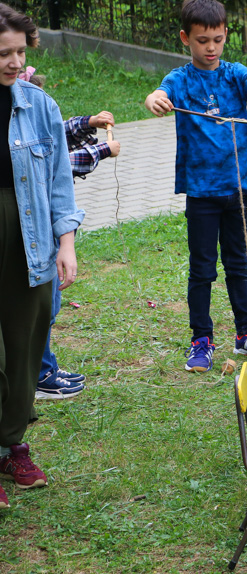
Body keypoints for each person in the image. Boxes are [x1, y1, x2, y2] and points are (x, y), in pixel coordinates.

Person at [144, 0, 247, 373]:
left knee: (238, 265)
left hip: (239, 190)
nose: (211, 48)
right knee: (202, 268)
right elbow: (157, 95)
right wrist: (155, 99)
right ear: (185, 39)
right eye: (202, 40)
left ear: (226, 37)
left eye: (218, 39)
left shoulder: (235, 73)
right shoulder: (180, 80)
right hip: (202, 193)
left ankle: (246, 333)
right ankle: (201, 339)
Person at [0, 3, 83, 509]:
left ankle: (12, 445)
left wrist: (65, 242)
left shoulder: (39, 105)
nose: (14, 62)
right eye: (2, 54)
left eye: (17, 51)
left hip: (29, 237)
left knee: (27, 343)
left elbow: (58, 181)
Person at [25, 70, 120, 398]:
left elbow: (58, 133)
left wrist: (88, 122)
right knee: (43, 308)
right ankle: (39, 374)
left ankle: (45, 366)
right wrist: (104, 150)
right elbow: (62, 163)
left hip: (50, 234)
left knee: (50, 305)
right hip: (34, 234)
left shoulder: (37, 117)